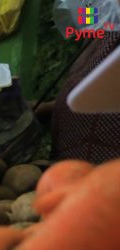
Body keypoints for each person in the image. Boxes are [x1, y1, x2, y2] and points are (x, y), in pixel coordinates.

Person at [44, 33, 120, 163]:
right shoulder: (101, 22)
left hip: (105, 160)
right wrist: (48, 107)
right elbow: (92, 88)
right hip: (67, 159)